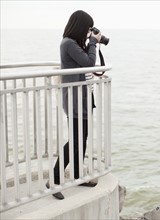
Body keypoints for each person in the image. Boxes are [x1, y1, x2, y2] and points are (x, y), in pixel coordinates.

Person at [46, 10, 102, 200]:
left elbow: (87, 61)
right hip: (75, 99)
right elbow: (89, 62)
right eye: (87, 28)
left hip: (84, 98)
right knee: (75, 140)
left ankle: (78, 175)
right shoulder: (68, 43)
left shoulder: (76, 44)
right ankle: (53, 180)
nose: (88, 32)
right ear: (80, 26)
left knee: (82, 138)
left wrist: (92, 43)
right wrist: (93, 43)